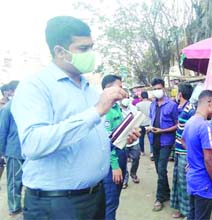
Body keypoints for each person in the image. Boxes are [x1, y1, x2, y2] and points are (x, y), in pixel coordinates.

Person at [11, 16, 139, 220]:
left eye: (91, 47)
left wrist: (119, 137)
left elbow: (86, 137)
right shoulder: (35, 87)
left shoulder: (87, 88)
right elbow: (33, 144)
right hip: (57, 204)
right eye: (83, 49)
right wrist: (96, 110)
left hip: (94, 196)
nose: (91, 54)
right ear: (60, 51)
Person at [183, 90, 212, 220]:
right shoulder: (205, 126)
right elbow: (209, 159)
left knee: (193, 215)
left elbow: (182, 140)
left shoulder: (190, 122)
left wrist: (192, 158)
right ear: (210, 103)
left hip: (192, 179)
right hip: (203, 182)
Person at [149, 78, 179, 211]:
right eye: (154, 89)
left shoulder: (172, 105)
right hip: (153, 141)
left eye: (159, 88)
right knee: (159, 170)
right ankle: (166, 192)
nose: (157, 91)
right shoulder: (152, 105)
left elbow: (178, 124)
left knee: (161, 169)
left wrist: (163, 130)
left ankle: (159, 198)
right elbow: (152, 119)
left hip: (166, 142)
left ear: (164, 88)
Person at [101, 75, 129, 220]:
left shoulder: (117, 108)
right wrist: (115, 166)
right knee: (110, 203)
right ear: (107, 88)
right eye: (119, 86)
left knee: (114, 201)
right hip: (112, 161)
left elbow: (119, 135)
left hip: (121, 154)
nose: (122, 90)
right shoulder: (104, 112)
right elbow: (107, 142)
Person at [170, 83, 195, 219]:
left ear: (180, 94)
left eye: (177, 92)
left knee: (185, 183)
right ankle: (180, 209)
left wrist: (191, 158)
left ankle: (188, 212)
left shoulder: (190, 110)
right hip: (179, 151)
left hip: (186, 152)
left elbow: (191, 135)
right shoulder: (181, 107)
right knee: (178, 182)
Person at [0, 81, 24, 217]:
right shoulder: (8, 108)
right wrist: (2, 153)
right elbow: (2, 132)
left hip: (28, 151)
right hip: (14, 152)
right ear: (14, 91)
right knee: (15, 182)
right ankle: (14, 208)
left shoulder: (28, 106)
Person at [120, 97, 141, 185]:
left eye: (127, 97)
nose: (125, 99)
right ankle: (125, 178)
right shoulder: (116, 110)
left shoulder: (133, 108)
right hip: (122, 141)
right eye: (123, 97)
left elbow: (138, 121)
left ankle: (133, 173)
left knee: (136, 158)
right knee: (123, 161)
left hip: (134, 140)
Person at [136, 91, 152, 156]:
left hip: (141, 123)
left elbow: (137, 115)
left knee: (141, 138)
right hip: (149, 123)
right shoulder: (151, 104)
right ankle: (152, 153)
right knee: (151, 138)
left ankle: (142, 152)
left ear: (142, 97)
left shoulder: (138, 105)